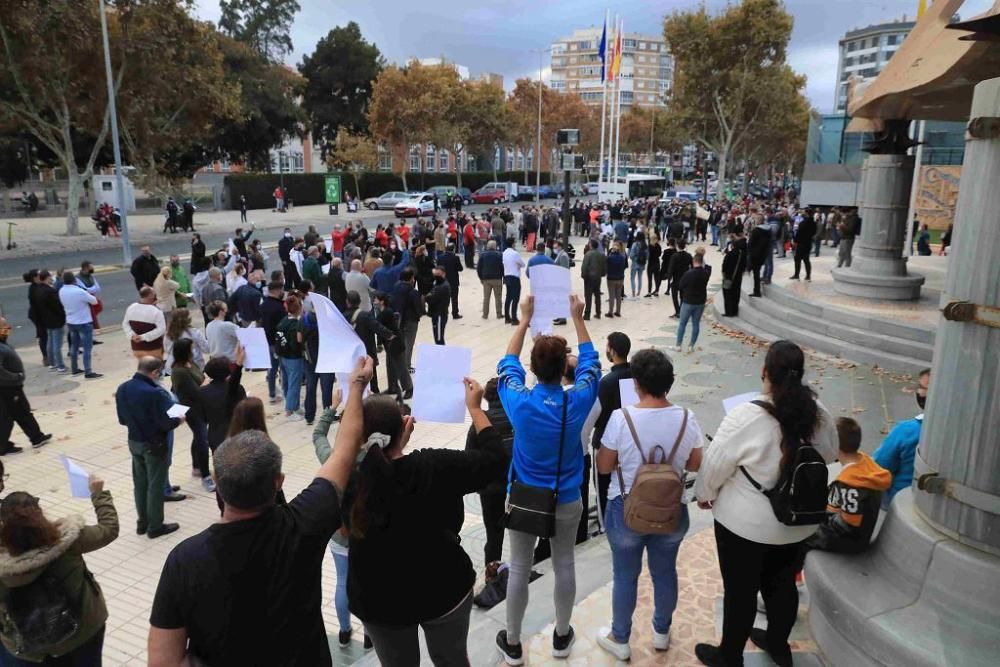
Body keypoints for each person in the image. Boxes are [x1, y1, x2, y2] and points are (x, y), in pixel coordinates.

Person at [147, 359, 371, 667]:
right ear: (278, 482)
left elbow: (163, 662)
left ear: (220, 487)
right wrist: (356, 385)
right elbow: (345, 449)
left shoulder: (184, 560)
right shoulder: (305, 523)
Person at [341, 379, 506, 664]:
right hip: (444, 588)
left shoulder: (344, 480)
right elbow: (495, 459)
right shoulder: (433, 467)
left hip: (378, 600)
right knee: (452, 659)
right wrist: (476, 408)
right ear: (403, 426)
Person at [693, 340, 837, 667]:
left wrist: (705, 494)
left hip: (744, 526)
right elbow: (829, 453)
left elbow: (715, 466)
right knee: (782, 585)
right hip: (797, 522)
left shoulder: (746, 415)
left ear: (765, 372)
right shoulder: (820, 413)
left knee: (741, 592)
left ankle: (730, 656)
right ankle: (777, 644)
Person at [496, 295, 601, 665]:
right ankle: (561, 636)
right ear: (563, 368)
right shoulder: (578, 402)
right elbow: (592, 366)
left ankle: (511, 643)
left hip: (524, 497)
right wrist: (577, 318)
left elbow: (506, 366)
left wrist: (523, 322)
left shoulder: (519, 403)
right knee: (564, 564)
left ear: (534, 369)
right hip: (567, 496)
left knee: (520, 568)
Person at [594, 348, 704, 660]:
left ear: (636, 383)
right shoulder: (686, 417)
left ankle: (621, 637)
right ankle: (661, 633)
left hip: (626, 509)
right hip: (672, 510)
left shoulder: (621, 418)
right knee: (665, 572)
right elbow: (695, 463)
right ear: (669, 383)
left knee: (625, 576)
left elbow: (604, 466)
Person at [0, 475, 118, 664]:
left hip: (28, 647)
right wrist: (98, 494)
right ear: (39, 513)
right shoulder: (67, 541)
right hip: (83, 630)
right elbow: (109, 529)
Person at [310, 392, 373, 650]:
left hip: (339, 532)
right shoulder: (373, 457)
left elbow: (317, 435)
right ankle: (370, 634)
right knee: (368, 582)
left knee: (342, 580)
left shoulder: (332, 458)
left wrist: (333, 407)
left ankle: (344, 631)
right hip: (367, 531)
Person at [793, 417, 890, 569]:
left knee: (798, 537)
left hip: (851, 541)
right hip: (861, 533)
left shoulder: (850, 484)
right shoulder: (864, 462)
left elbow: (847, 525)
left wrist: (819, 521)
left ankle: (795, 574)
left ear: (835, 445)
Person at [116, 356, 185, 539]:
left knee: (140, 484)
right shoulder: (154, 393)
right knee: (155, 485)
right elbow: (167, 423)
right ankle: (155, 526)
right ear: (155, 372)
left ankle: (142, 523)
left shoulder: (123, 388)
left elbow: (122, 419)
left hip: (134, 441)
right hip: (154, 444)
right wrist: (179, 419)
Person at [466, 377, 515, 568]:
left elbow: (469, 454)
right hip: (518, 482)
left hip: (490, 486)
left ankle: (492, 571)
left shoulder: (480, 421)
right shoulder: (517, 416)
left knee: (493, 534)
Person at [588, 332, 632, 519]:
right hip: (628, 440)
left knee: (603, 486)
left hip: (605, 441)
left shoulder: (607, 382)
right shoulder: (633, 375)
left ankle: (604, 524)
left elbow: (597, 417)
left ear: (612, 351)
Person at [873, 368, 929, 509]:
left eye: (922, 388)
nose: (918, 392)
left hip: (902, 498)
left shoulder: (907, 430)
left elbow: (880, 464)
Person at [0, 316, 52, 455]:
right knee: (16, 414)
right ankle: (34, 438)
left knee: (15, 414)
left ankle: (35, 437)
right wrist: (16, 376)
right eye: (4, 327)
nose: (8, 329)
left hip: (10, 387)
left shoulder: (2, 342)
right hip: (9, 387)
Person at [169, 338, 215, 493]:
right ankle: (205, 475)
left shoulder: (191, 363)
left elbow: (201, 379)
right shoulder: (179, 371)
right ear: (185, 351)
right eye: (191, 348)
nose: (194, 350)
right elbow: (196, 390)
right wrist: (206, 383)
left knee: (198, 436)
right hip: (191, 410)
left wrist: (204, 382)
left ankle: (196, 466)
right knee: (203, 439)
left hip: (201, 406)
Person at [200, 351, 247, 455]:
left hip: (215, 435)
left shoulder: (203, 392)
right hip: (237, 433)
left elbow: (203, 417)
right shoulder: (238, 389)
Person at [58, 270, 101, 378]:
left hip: (71, 321)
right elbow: (94, 301)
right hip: (83, 321)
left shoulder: (62, 290)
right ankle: (88, 371)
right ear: (74, 280)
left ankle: (74, 368)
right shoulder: (79, 291)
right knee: (87, 348)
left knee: (74, 346)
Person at [275, 293, 306, 420]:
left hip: (283, 356)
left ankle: (294, 406)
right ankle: (289, 410)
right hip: (294, 357)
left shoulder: (283, 321)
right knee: (294, 383)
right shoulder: (296, 325)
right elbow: (296, 343)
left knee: (287, 382)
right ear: (299, 308)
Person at [675, 253, 711, 353]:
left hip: (688, 301)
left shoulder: (689, 273)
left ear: (693, 261)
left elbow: (680, 285)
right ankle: (691, 345)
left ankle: (678, 344)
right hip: (700, 302)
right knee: (696, 323)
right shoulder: (705, 273)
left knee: (682, 323)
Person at [123, 287, 167, 360]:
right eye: (154, 293)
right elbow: (161, 329)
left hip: (137, 348)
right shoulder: (156, 311)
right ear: (151, 296)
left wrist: (132, 335)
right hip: (153, 348)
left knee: (143, 368)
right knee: (156, 368)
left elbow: (125, 324)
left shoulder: (131, 307)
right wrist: (143, 337)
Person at [163, 307, 209, 373]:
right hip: (193, 366)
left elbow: (166, 349)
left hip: (173, 366)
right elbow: (206, 349)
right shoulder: (194, 332)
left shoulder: (168, 334)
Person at [720, 226, 747, 317]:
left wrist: (724, 275)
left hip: (729, 276)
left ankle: (729, 311)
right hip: (738, 274)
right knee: (736, 292)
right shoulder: (742, 251)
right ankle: (735, 310)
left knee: (727, 294)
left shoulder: (730, 254)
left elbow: (724, 265)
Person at [477, 240, 504, 320]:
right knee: (498, 298)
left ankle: (485, 315)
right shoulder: (499, 255)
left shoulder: (482, 255)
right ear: (495, 246)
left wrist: (481, 278)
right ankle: (499, 314)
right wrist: (502, 276)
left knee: (486, 298)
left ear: (487, 246)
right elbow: (502, 267)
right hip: (497, 279)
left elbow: (479, 268)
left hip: (486, 279)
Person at [436, 243, 464, 319]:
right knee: (454, 298)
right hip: (453, 281)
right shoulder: (455, 258)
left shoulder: (440, 257)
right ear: (453, 249)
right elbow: (460, 269)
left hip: (442, 280)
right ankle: (455, 313)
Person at [581, 240, 607, 320]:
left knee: (588, 296)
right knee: (597, 295)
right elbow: (604, 267)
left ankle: (587, 314)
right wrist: (601, 274)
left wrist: (583, 275)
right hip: (597, 278)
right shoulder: (601, 255)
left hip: (589, 278)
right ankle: (598, 313)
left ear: (591, 245)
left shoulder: (588, 254)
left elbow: (584, 266)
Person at [426, 267, 452, 345]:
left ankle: (442, 355)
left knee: (439, 338)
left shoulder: (443, 286)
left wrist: (427, 297)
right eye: (435, 274)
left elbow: (430, 298)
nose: (436, 276)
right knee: (437, 336)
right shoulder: (438, 283)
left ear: (444, 274)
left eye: (438, 274)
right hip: (436, 314)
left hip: (439, 315)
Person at [502, 239, 526, 324]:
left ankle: (507, 317)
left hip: (506, 276)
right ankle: (514, 318)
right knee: (515, 298)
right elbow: (523, 264)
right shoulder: (515, 253)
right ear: (512, 244)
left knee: (508, 297)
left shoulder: (504, 253)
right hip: (514, 277)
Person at [666, 240, 692, 318]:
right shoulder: (688, 255)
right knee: (682, 296)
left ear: (677, 246)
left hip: (676, 279)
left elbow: (671, 268)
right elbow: (692, 266)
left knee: (674, 296)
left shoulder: (674, 256)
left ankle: (677, 311)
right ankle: (681, 310)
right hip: (685, 278)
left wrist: (669, 277)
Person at [790, 211, 816, 281]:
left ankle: (796, 275)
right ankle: (808, 276)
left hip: (801, 244)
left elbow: (798, 234)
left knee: (797, 259)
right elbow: (814, 233)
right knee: (806, 260)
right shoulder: (813, 223)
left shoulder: (802, 223)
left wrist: (795, 242)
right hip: (808, 243)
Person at [748, 220, 771, 298]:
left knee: (756, 274)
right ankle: (757, 290)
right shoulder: (768, 230)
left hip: (755, 256)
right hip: (762, 255)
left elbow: (750, 244)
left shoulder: (756, 231)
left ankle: (757, 291)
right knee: (757, 273)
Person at [606, 242, 626, 318]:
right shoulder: (622, 257)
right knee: (618, 296)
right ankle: (618, 311)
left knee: (611, 296)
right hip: (620, 279)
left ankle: (610, 312)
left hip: (611, 279)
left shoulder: (609, 258)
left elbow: (606, 265)